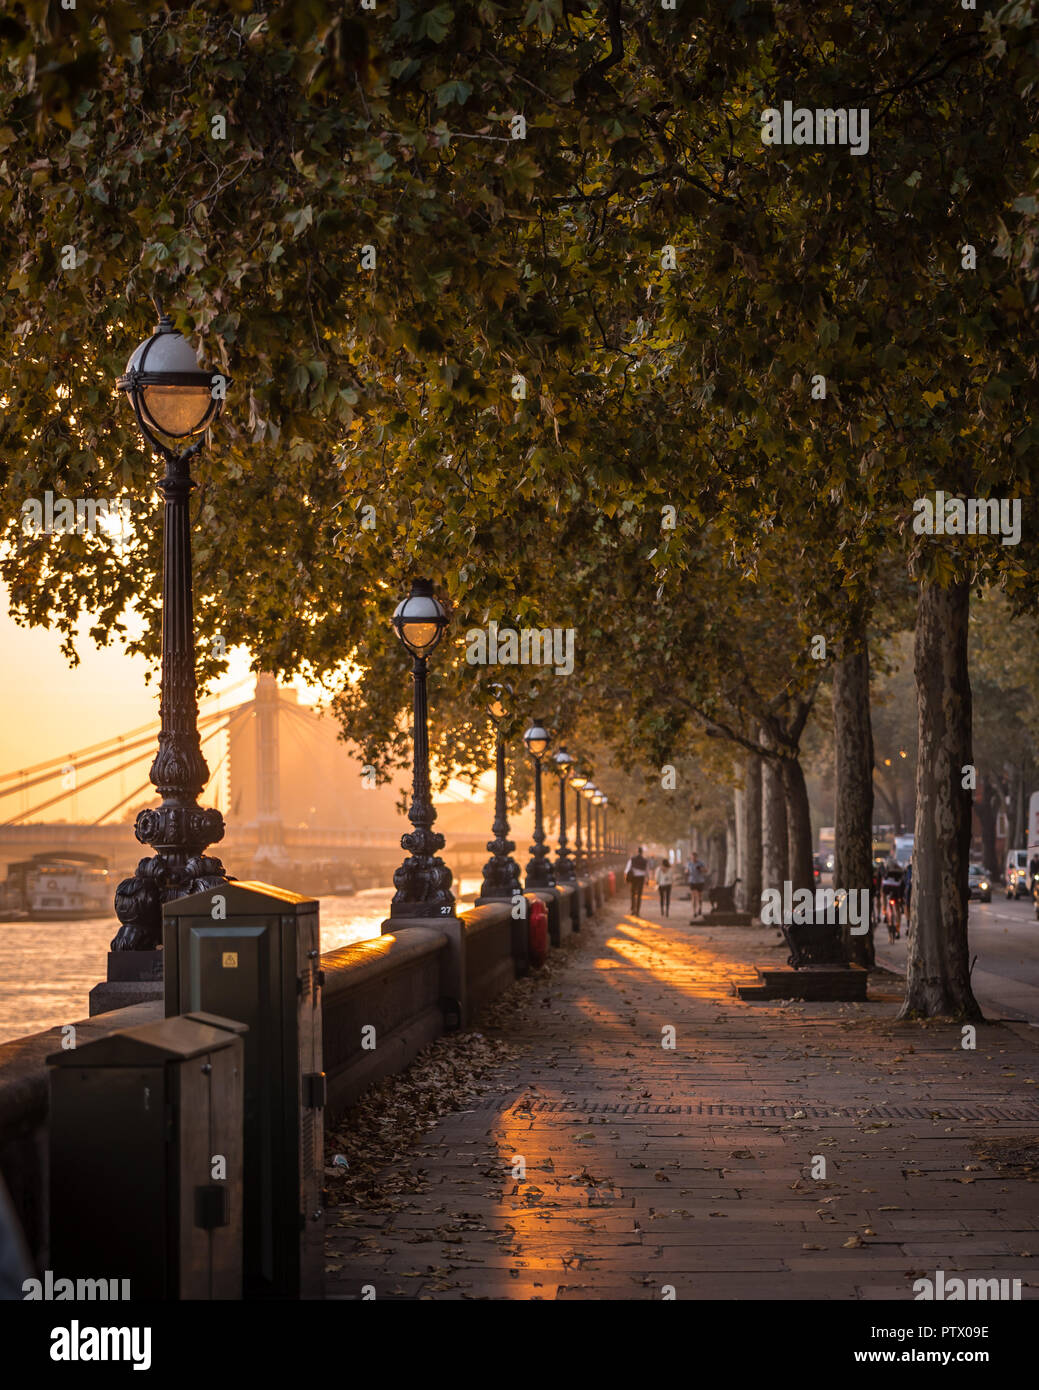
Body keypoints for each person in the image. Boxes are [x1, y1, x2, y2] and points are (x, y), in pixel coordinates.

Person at [624, 846, 648, 915]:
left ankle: (632, 909)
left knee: (633, 894)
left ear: (637, 851)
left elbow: (627, 870)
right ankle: (638, 911)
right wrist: (647, 879)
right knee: (639, 895)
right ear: (642, 852)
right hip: (641, 878)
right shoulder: (645, 860)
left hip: (634, 878)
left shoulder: (632, 859)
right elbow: (647, 871)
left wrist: (626, 878)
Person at [687, 854, 707, 919]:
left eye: (694, 857)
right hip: (692, 881)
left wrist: (700, 869)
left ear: (696, 857)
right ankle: (694, 911)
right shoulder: (689, 864)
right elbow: (686, 870)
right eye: (692, 857)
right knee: (694, 896)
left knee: (699, 896)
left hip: (700, 881)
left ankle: (700, 908)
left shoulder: (700, 863)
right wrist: (687, 872)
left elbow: (706, 870)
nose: (693, 859)